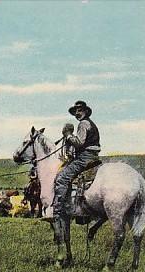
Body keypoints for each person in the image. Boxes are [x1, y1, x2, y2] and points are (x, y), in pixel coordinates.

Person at [51, 100, 101, 257]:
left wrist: (68, 135)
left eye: (79, 110)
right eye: (75, 111)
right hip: (89, 155)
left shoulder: (84, 124)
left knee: (61, 178)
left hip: (86, 156)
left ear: (85, 111)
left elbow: (79, 143)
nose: (77, 113)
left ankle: (58, 210)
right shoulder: (88, 123)